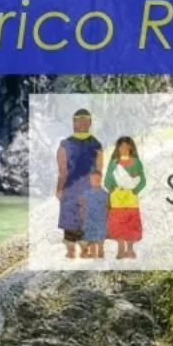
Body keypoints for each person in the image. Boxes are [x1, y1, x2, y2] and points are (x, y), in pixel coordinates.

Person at [55, 109, 103, 260]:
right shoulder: (96, 144)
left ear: (74, 123)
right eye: (82, 121)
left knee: (70, 221)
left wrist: (59, 190)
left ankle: (70, 253)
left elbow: (62, 171)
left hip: (70, 188)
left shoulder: (65, 144)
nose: (82, 124)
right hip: (88, 188)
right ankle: (85, 251)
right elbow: (99, 169)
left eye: (83, 121)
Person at [104, 136, 146, 260]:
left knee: (131, 222)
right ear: (118, 148)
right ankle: (121, 248)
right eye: (121, 146)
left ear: (131, 147)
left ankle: (130, 248)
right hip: (117, 197)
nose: (123, 149)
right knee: (118, 223)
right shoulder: (114, 163)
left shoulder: (136, 162)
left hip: (131, 198)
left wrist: (136, 190)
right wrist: (110, 188)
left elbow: (142, 180)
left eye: (126, 146)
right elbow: (107, 180)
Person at [81, 168, 110, 259]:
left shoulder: (105, 194)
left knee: (100, 242)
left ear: (101, 179)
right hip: (89, 221)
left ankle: (101, 256)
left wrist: (108, 219)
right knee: (92, 241)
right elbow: (83, 206)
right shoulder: (86, 193)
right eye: (93, 180)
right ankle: (93, 259)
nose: (95, 181)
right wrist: (83, 217)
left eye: (97, 180)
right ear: (90, 180)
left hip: (101, 221)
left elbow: (108, 208)